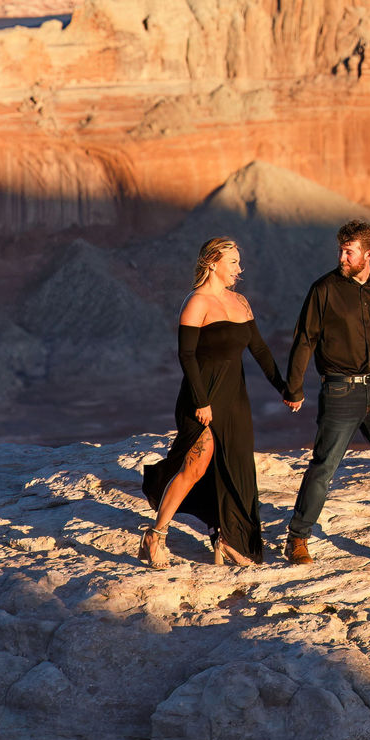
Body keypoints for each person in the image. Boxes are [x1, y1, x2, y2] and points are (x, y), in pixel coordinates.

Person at [280, 220, 370, 566]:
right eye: (341, 251)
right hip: (339, 391)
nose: (342, 258)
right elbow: (305, 339)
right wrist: (295, 387)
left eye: (349, 252)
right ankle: (298, 539)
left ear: (368, 254)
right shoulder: (325, 289)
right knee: (324, 466)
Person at [139, 237, 287, 569]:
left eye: (238, 261)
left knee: (234, 469)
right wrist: (202, 401)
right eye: (233, 262)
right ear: (212, 263)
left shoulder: (240, 302)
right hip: (201, 398)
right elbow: (186, 355)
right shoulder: (196, 303)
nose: (239, 268)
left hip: (234, 399)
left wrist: (284, 387)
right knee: (195, 466)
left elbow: (260, 350)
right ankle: (155, 535)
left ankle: (228, 539)